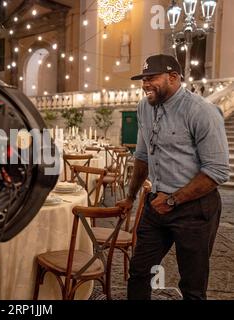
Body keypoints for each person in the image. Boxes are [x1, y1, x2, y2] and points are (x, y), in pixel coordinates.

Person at [117, 54, 230, 300]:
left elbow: (217, 171)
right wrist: (130, 197)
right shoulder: (143, 107)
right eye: (143, 79)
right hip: (156, 204)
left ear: (173, 77)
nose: (145, 84)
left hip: (195, 210)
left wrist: (172, 201)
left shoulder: (202, 111)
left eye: (151, 78)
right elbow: (142, 156)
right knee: (138, 272)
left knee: (192, 285)